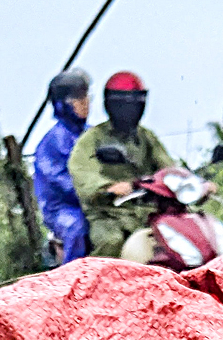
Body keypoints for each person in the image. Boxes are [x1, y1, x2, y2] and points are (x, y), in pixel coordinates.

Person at [68, 71, 177, 258]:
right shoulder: (94, 139)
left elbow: (167, 167)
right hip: (108, 214)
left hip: (146, 211)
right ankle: (98, 285)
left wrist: (192, 183)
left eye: (135, 102)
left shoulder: (145, 137)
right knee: (110, 241)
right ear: (112, 105)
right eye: (125, 104)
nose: (131, 109)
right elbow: (81, 170)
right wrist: (108, 187)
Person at [32, 68, 91, 263]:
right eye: (78, 98)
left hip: (96, 203)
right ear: (62, 104)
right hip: (63, 208)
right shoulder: (52, 142)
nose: (85, 103)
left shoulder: (93, 135)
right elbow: (60, 181)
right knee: (77, 227)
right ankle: (73, 281)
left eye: (86, 96)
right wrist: (93, 191)